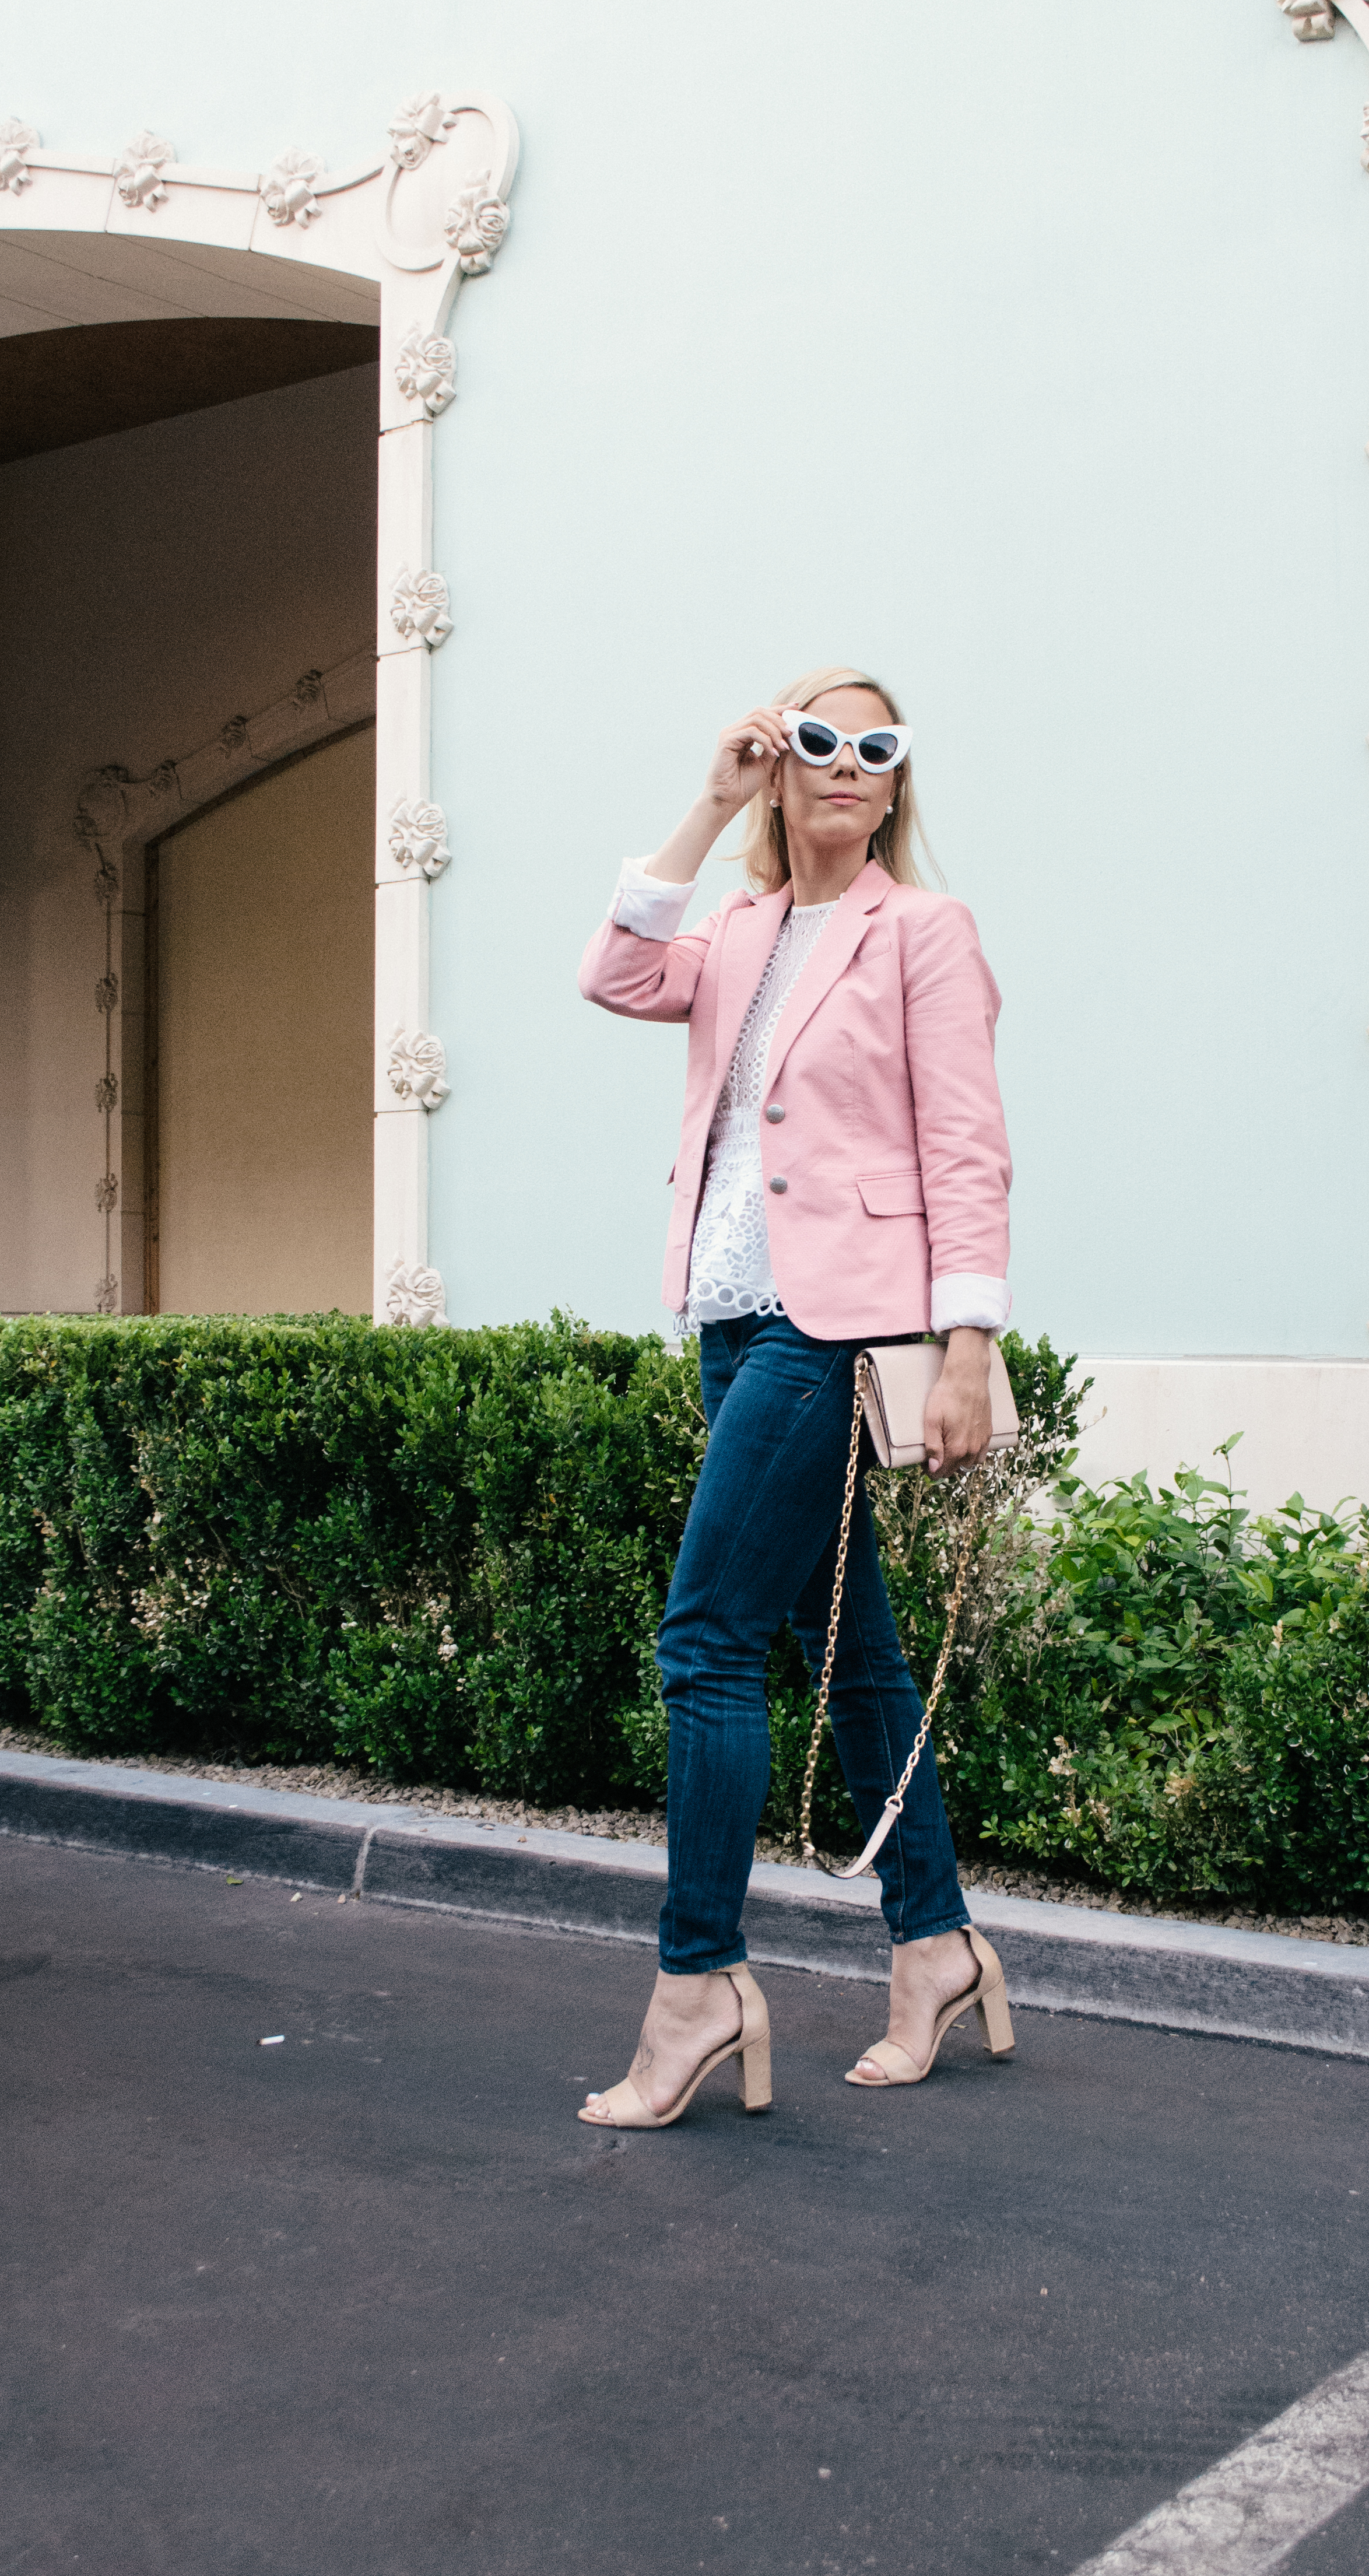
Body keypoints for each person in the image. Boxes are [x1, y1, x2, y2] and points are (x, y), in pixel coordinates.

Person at [575, 665, 1015, 2126]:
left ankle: (699, 1982)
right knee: (851, 1651)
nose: (847, 765)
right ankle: (937, 1943)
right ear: (784, 769)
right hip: (729, 1315)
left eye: (875, 748)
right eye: (818, 741)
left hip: (833, 1330)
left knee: (705, 1640)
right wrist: (710, 797)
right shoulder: (742, 927)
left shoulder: (924, 932)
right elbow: (616, 974)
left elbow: (965, 1144)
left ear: (896, 784)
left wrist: (969, 1342)